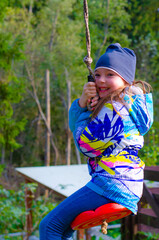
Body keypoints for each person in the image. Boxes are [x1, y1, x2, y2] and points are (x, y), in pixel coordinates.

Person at [39, 43, 153, 240]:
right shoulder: (129, 104)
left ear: (125, 80)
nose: (101, 80)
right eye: (97, 74)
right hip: (124, 183)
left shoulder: (115, 108)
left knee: (49, 226)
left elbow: (86, 146)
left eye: (110, 75)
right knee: (63, 230)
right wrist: (86, 106)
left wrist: (83, 110)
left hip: (113, 183)